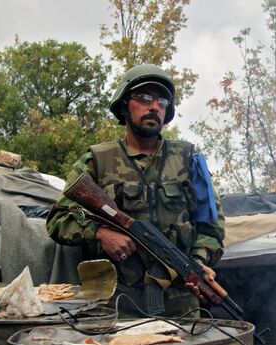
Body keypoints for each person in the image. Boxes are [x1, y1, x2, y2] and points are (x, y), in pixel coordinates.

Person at [47, 64, 225, 317]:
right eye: (143, 98)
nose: (154, 106)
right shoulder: (97, 160)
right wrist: (100, 234)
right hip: (112, 301)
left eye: (162, 101)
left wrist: (197, 262)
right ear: (123, 106)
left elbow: (212, 226)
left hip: (179, 304)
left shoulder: (188, 160)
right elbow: (58, 220)